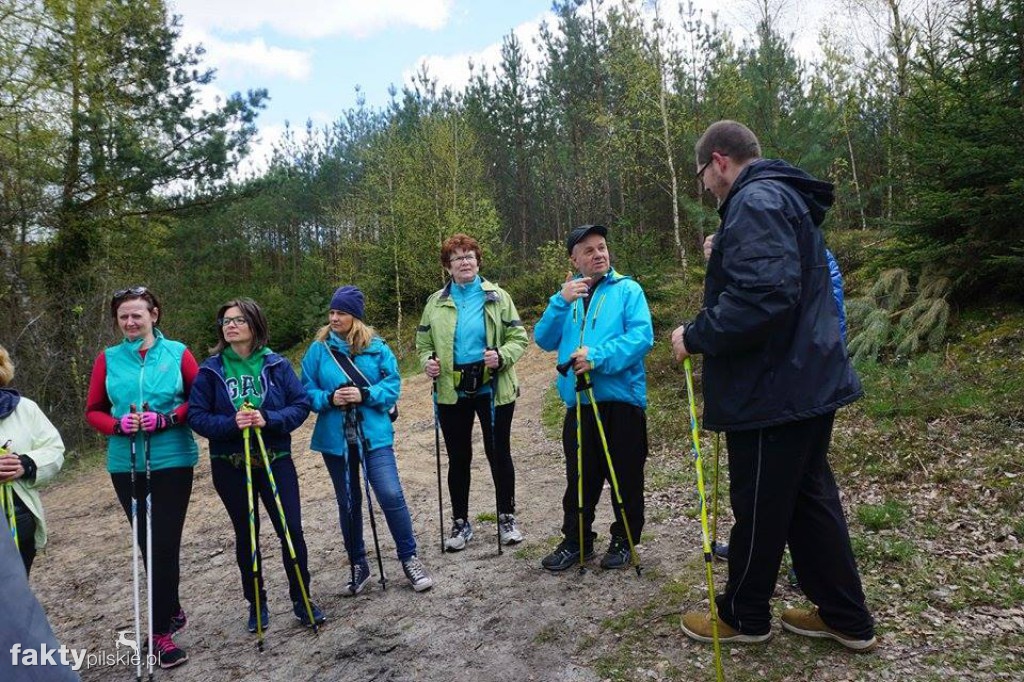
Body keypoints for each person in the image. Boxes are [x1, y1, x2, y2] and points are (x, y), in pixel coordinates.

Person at [671, 120, 875, 651]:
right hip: (803, 380)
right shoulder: (779, 198)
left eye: (703, 176)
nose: (708, 188)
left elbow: (764, 298)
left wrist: (694, 336)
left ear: (719, 161)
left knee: (760, 505)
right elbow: (777, 282)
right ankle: (846, 617)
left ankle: (744, 616)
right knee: (809, 501)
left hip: (774, 389)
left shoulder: (756, 201)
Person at [188, 298, 326, 632]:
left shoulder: (275, 364)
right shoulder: (210, 369)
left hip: (275, 459)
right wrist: (231, 423)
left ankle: (302, 598)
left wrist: (268, 418)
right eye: (225, 321)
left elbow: (300, 405)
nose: (230, 326)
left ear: (254, 325)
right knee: (246, 534)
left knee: (290, 529)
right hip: (230, 463)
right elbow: (196, 415)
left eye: (238, 320)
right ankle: (257, 603)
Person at [85, 286, 197, 668]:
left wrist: (166, 419)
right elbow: (94, 410)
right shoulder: (108, 359)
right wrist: (118, 425)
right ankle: (172, 609)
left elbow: (197, 401)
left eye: (137, 315)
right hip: (126, 462)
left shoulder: (178, 353)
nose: (130, 322)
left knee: (163, 542)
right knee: (149, 543)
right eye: (123, 317)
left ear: (154, 314)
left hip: (172, 459)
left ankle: (160, 634)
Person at [534, 224, 654, 571]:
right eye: (588, 250)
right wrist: (560, 301)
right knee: (579, 478)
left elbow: (641, 338)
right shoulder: (568, 298)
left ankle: (625, 539)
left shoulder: (628, 290)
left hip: (622, 401)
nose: (598, 254)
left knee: (626, 475)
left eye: (601, 247)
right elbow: (543, 339)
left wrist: (597, 356)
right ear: (574, 259)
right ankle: (577, 540)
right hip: (580, 403)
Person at [302, 285, 433, 593]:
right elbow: (304, 390)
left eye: (341, 313)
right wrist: (328, 398)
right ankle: (358, 563)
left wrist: (365, 393)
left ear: (355, 317)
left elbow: (393, 384)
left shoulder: (377, 347)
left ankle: (409, 557)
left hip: (374, 434)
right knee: (348, 501)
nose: (334, 318)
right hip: (336, 438)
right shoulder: (318, 350)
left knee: (389, 493)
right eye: (332, 312)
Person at [415, 234, 529, 551]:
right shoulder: (434, 303)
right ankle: (461, 523)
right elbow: (423, 344)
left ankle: (506, 517)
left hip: (494, 386)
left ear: (478, 261)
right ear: (447, 267)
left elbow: (518, 337)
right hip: (452, 390)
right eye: (457, 258)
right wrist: (428, 363)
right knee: (459, 457)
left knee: (498, 453)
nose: (464, 262)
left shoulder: (497, 296)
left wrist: (502, 356)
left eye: (469, 256)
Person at [0, 344, 66, 575]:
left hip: (18, 520)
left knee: (15, 593)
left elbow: (54, 449)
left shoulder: (24, 409)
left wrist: (25, 464)